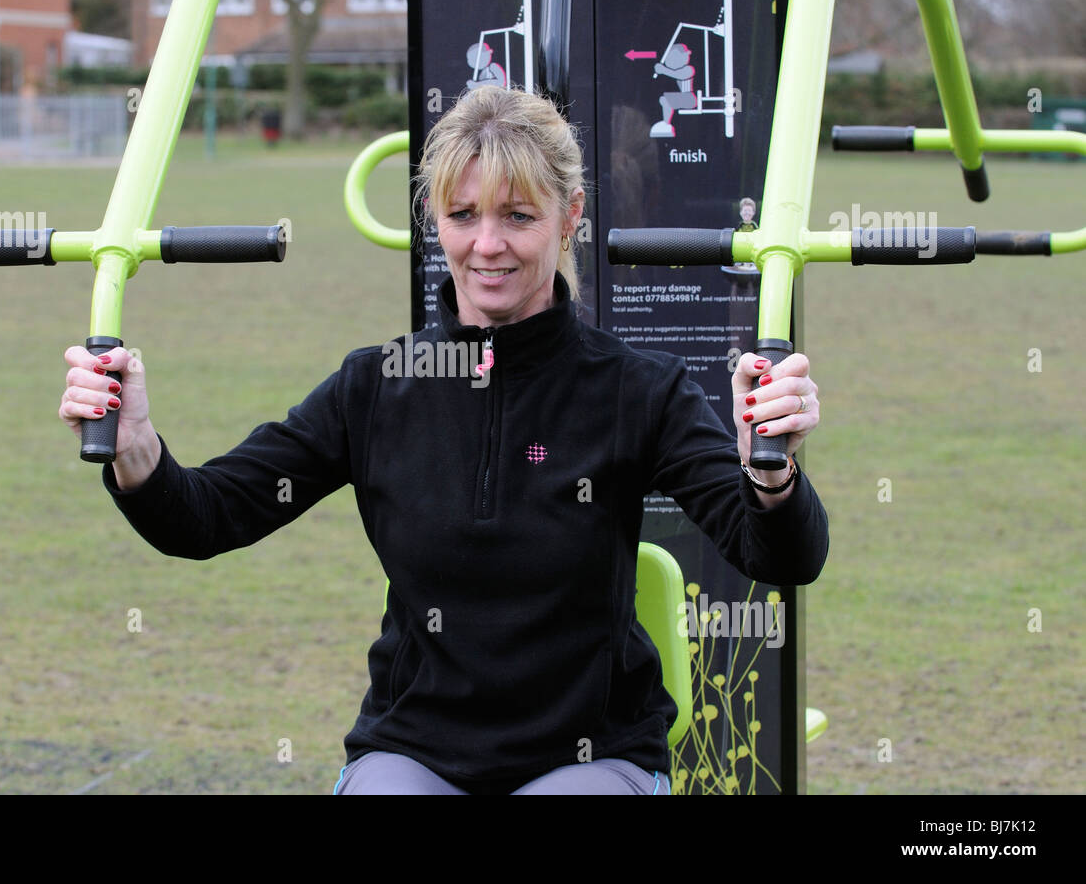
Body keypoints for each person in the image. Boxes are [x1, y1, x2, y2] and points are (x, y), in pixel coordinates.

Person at [58, 85, 828, 795]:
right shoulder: (376, 387)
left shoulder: (639, 390)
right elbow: (208, 516)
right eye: (464, 215)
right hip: (416, 750)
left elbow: (783, 557)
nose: (487, 245)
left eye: (518, 217)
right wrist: (136, 446)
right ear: (435, 217)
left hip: (588, 753)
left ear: (571, 215)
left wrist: (771, 474)